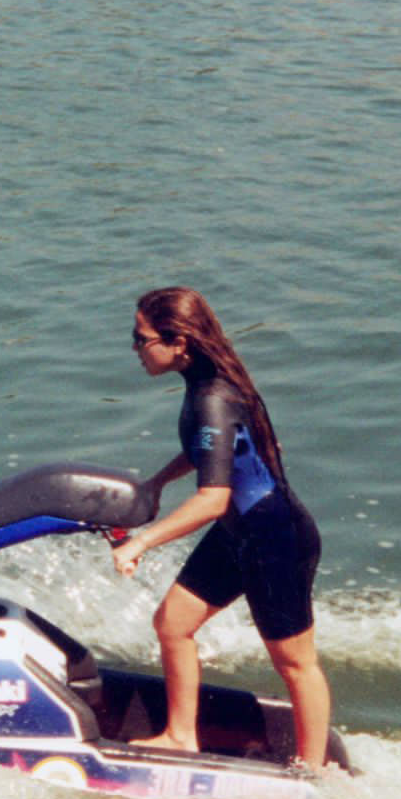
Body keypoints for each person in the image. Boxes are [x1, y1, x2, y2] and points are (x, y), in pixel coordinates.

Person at [111, 286, 332, 770]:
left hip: (276, 539)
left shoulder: (213, 396)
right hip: (240, 535)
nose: (134, 348)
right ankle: (179, 735)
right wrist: (156, 484)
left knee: (295, 663)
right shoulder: (204, 382)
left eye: (141, 338)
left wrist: (142, 542)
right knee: (173, 624)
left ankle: (313, 775)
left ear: (179, 341)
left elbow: (214, 499)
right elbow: (210, 453)